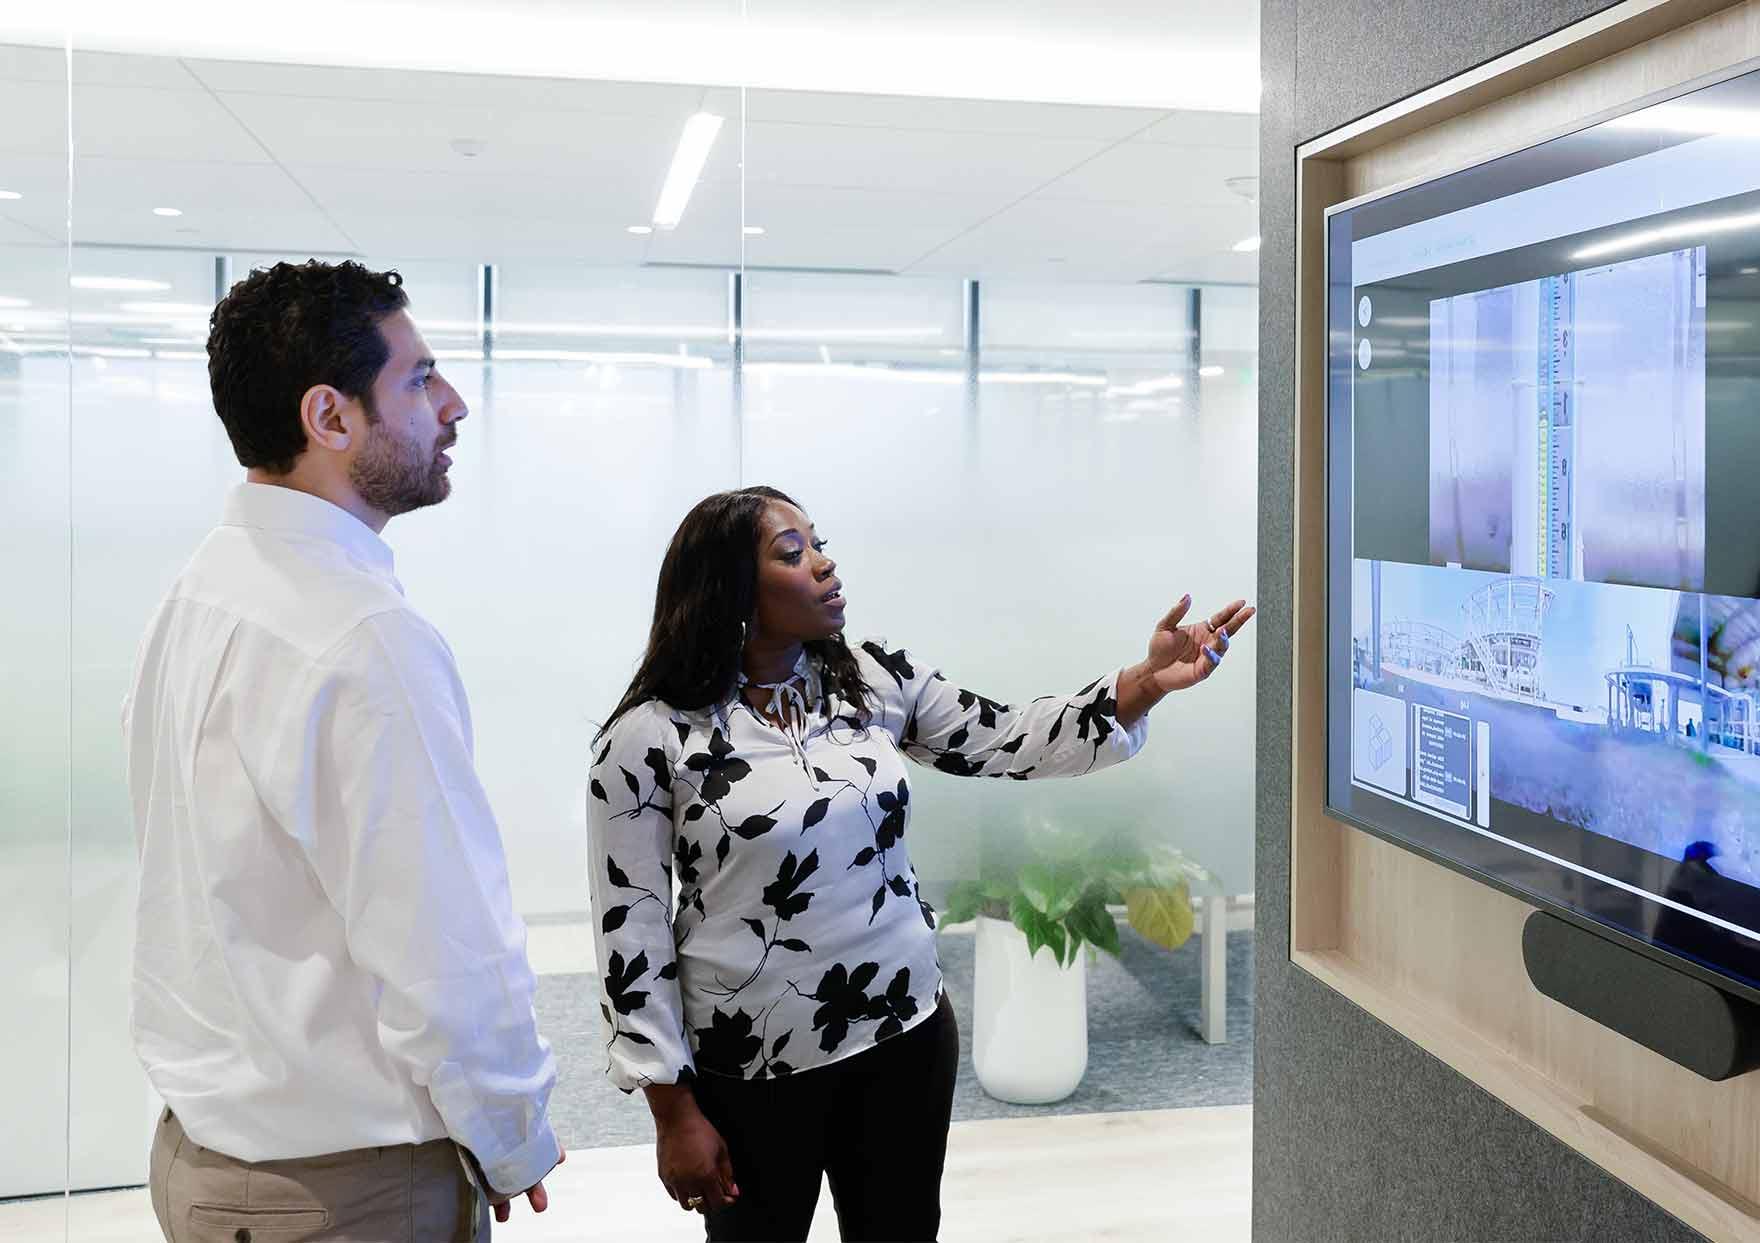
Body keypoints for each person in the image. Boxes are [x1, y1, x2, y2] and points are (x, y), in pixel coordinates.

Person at [585, 485, 1254, 1242]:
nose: (826, 564)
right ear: (729, 586)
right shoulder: (648, 739)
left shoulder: (868, 678)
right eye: (794, 552)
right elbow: (630, 932)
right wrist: (673, 1111)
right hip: (753, 1069)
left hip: (903, 1036)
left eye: (820, 542)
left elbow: (1008, 739)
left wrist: (1142, 683)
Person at [124, 260, 562, 1241]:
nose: (454, 404)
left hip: (208, 1161)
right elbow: (445, 944)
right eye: (418, 378)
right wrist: (512, 1127)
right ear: (329, 416)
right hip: (340, 1193)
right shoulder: (359, 635)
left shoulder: (201, 587)